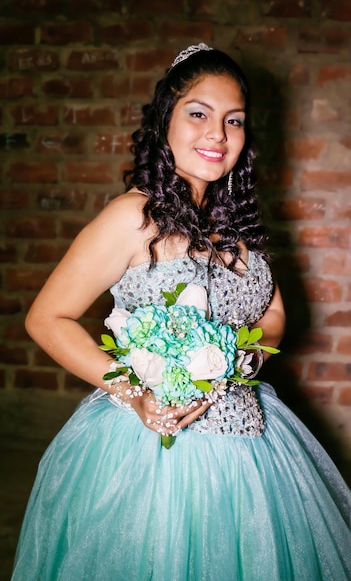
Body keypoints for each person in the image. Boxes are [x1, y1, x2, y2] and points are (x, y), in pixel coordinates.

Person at [12, 44, 351, 581]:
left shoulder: (238, 222)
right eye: (199, 114)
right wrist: (136, 393)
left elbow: (275, 314)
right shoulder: (132, 217)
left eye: (233, 121)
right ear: (164, 123)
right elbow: (46, 319)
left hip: (251, 444)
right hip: (152, 451)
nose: (217, 134)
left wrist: (234, 360)